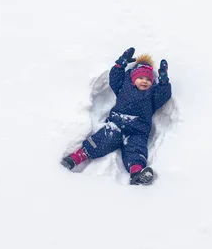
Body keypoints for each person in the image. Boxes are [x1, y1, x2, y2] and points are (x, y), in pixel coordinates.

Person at [61, 47, 172, 185]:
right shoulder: (124, 86)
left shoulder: (152, 95)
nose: (144, 81)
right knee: (102, 140)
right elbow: (114, 78)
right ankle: (75, 158)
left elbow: (164, 95)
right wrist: (120, 64)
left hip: (138, 130)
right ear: (133, 78)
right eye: (141, 78)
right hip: (117, 124)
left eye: (148, 80)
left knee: (136, 150)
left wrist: (163, 81)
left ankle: (136, 173)